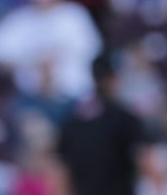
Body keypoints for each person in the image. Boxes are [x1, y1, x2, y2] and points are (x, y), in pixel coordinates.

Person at [56, 54, 146, 195]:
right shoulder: (126, 119)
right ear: (110, 80)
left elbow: (62, 167)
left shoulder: (73, 119)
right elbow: (142, 161)